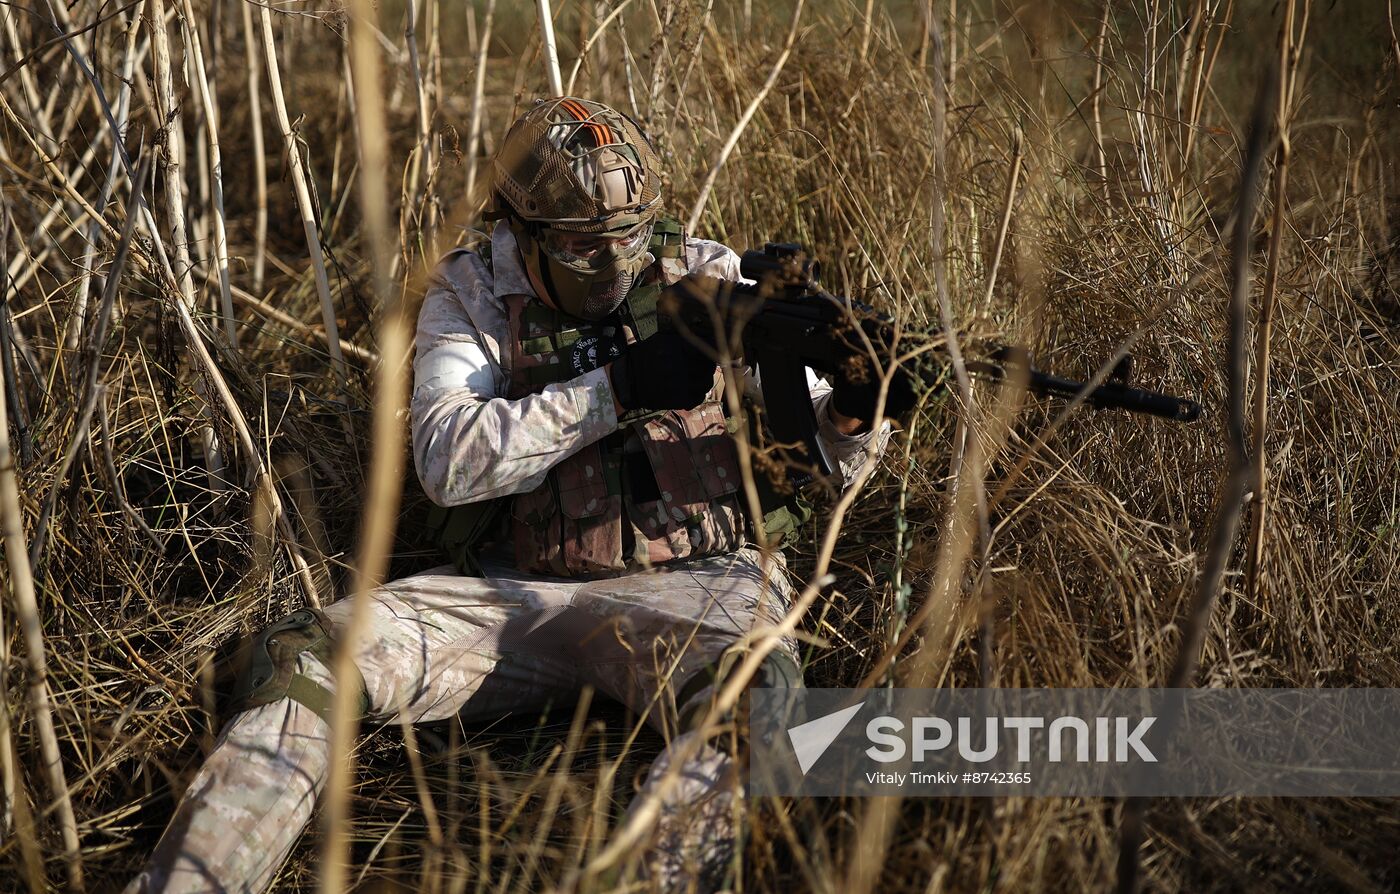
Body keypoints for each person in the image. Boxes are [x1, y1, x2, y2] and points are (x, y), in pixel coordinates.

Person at [128, 96, 913, 893]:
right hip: (506, 597)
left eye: (629, 238)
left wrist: (855, 410)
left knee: (758, 711)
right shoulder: (469, 296)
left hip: (701, 586)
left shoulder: (706, 276)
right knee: (304, 662)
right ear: (522, 230)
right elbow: (448, 460)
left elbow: (815, 470)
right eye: (580, 247)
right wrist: (618, 388)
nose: (611, 265)